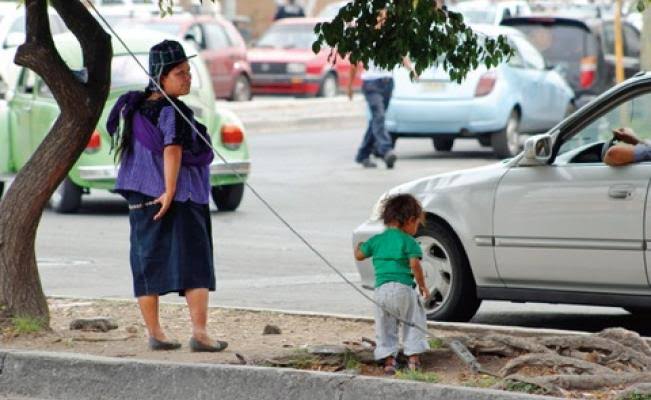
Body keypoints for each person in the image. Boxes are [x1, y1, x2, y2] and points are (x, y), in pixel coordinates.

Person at [106, 40, 227, 353]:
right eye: (179, 73)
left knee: (147, 262)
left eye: (188, 72)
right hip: (180, 196)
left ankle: (156, 333)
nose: (187, 78)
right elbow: (172, 149)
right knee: (196, 265)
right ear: (161, 76)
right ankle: (200, 334)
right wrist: (170, 191)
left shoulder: (136, 108)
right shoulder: (172, 111)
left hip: (141, 196)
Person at [354, 194, 430, 375]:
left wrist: (360, 245)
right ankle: (413, 359)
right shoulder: (409, 241)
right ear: (410, 220)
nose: (417, 227)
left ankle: (389, 361)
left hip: (381, 291)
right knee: (414, 321)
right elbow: (415, 265)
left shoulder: (377, 240)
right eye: (417, 223)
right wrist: (422, 286)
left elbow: (359, 255)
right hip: (404, 289)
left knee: (385, 324)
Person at [347, 9, 417, 169]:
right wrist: (350, 86)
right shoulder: (364, 37)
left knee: (375, 120)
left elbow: (402, 55)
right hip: (371, 83)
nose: (382, 20)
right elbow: (354, 62)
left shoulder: (390, 36)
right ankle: (386, 150)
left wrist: (411, 69)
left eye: (385, 17)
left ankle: (362, 154)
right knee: (379, 116)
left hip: (387, 83)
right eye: (379, 17)